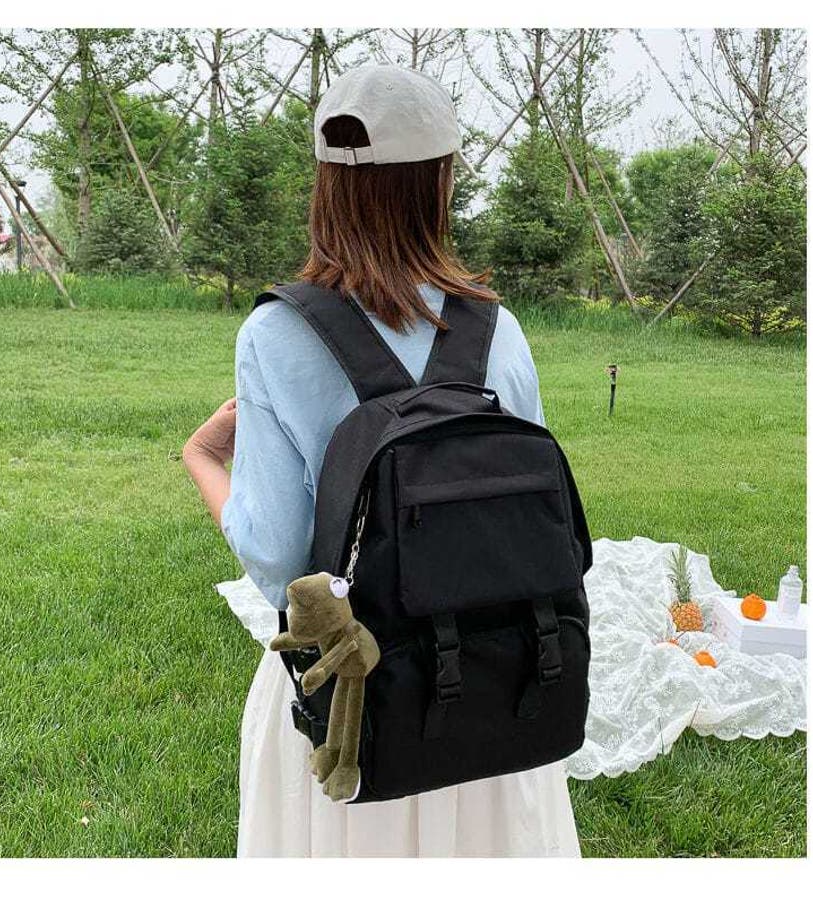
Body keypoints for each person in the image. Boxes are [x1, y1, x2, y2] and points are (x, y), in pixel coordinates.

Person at [183, 64, 581, 858]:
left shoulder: (278, 334)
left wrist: (202, 460)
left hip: (358, 705)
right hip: (499, 693)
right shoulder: (495, 328)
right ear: (442, 181)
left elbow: (281, 564)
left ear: (325, 187)